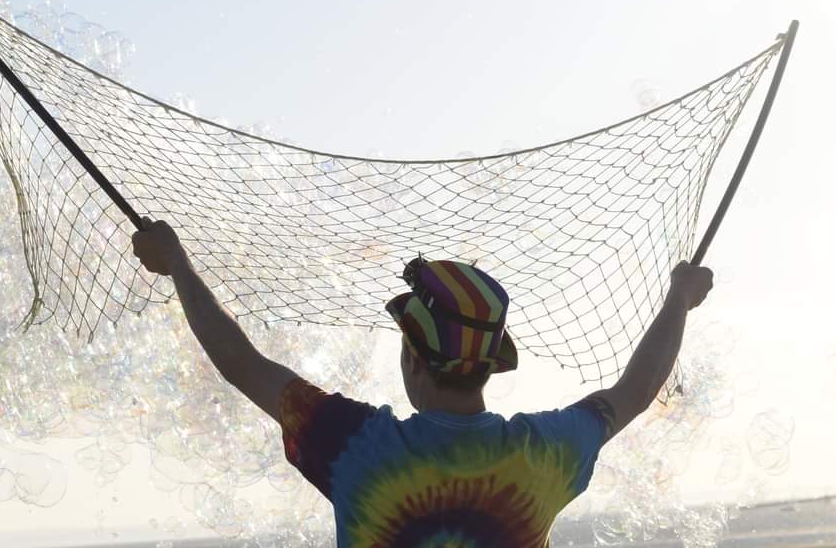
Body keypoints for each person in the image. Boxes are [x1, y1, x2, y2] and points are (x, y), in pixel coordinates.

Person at [132, 216, 714, 547]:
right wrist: (679, 300)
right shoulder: (545, 453)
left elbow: (242, 363)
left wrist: (178, 263)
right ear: (490, 364)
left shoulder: (358, 447)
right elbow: (636, 391)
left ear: (413, 359)